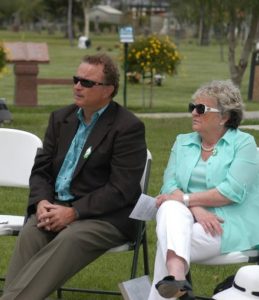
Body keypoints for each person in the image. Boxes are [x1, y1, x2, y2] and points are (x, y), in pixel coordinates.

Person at [1, 53, 147, 300]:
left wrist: (74, 212)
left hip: (107, 218)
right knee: (32, 232)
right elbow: (41, 171)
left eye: (87, 82)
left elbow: (121, 189)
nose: (78, 86)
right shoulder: (61, 118)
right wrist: (42, 203)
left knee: (70, 237)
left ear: (108, 90)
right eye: (76, 79)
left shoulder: (127, 127)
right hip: (57, 208)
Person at [148, 80, 259, 300]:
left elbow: (231, 192)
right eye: (193, 107)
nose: (194, 113)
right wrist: (196, 209)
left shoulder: (244, 144)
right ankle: (178, 279)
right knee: (170, 208)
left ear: (225, 117)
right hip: (186, 218)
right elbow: (169, 185)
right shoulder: (182, 142)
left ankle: (176, 284)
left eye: (201, 109)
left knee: (168, 240)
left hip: (227, 225)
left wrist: (186, 200)